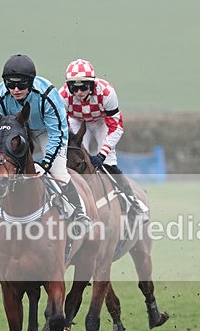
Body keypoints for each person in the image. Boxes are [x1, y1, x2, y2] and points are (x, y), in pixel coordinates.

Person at [0, 54, 92, 238]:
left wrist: (46, 164)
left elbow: (57, 133)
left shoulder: (47, 95)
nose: (15, 89)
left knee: (58, 171)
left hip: (47, 130)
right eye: (10, 84)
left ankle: (79, 214)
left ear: (31, 82)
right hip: (16, 131)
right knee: (1, 172)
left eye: (21, 84)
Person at [59, 58, 147, 221]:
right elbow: (61, 127)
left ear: (92, 84)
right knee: (72, 159)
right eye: (74, 87)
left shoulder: (107, 93)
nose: (79, 92)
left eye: (84, 87)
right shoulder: (62, 96)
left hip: (102, 122)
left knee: (109, 161)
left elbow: (116, 126)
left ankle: (134, 204)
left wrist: (102, 154)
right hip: (76, 120)